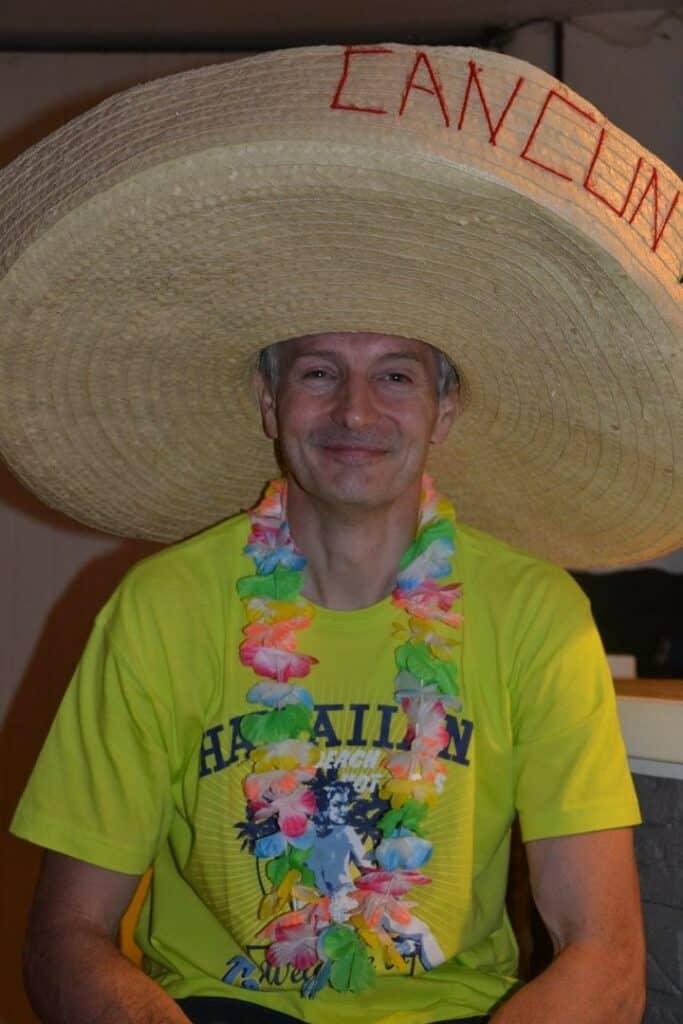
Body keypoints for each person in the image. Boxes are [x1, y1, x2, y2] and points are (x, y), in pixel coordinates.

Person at [3, 41, 681, 1024]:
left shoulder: (535, 615)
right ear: (268, 402)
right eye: (319, 372)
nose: (354, 410)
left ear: (444, 409)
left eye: (394, 375)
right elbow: (64, 937)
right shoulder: (159, 609)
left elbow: (605, 956)